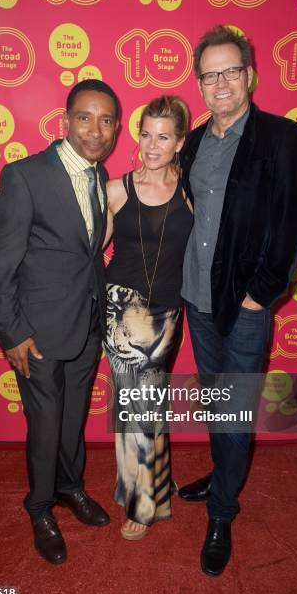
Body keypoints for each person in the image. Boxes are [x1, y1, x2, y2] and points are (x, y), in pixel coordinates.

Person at [177, 26, 297, 576]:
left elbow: (292, 224)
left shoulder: (282, 137)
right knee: (216, 402)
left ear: (250, 75)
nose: (221, 83)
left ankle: (222, 511)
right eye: (210, 75)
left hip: (245, 306)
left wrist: (260, 296)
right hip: (197, 301)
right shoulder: (193, 143)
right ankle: (223, 470)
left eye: (231, 71)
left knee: (234, 409)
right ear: (200, 85)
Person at [0, 79, 119, 565]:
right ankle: (39, 506)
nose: (95, 130)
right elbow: (1, 262)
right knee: (44, 423)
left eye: (106, 120)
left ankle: (70, 489)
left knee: (72, 418)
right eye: (85, 117)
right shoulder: (25, 175)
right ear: (66, 120)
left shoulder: (101, 178)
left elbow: (87, 253)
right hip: (36, 332)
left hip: (85, 324)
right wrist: (11, 332)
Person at [103, 95, 193, 540]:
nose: (152, 146)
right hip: (120, 308)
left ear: (179, 143)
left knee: (147, 405)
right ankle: (143, 503)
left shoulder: (192, 191)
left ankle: (150, 480)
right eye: (146, 134)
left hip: (166, 312)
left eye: (163, 137)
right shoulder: (116, 188)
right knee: (136, 406)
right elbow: (89, 250)